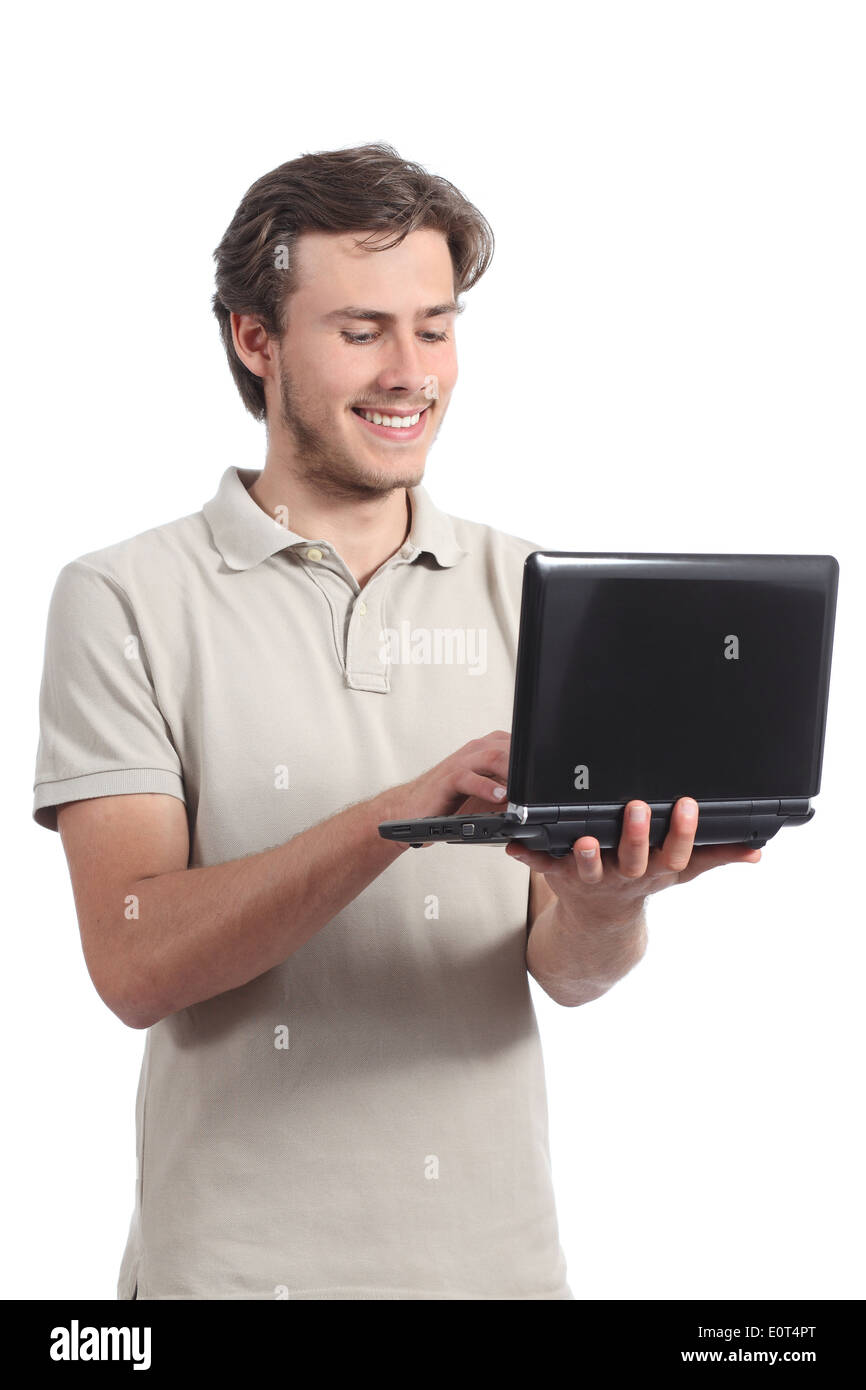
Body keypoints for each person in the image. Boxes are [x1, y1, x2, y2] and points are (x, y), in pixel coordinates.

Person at [31, 142, 762, 1301]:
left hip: (497, 1276)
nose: (410, 370)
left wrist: (602, 903)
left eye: (435, 324)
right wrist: (398, 817)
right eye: (361, 329)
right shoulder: (122, 598)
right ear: (253, 339)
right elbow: (134, 960)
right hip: (228, 1277)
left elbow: (563, 972)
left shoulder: (533, 589)